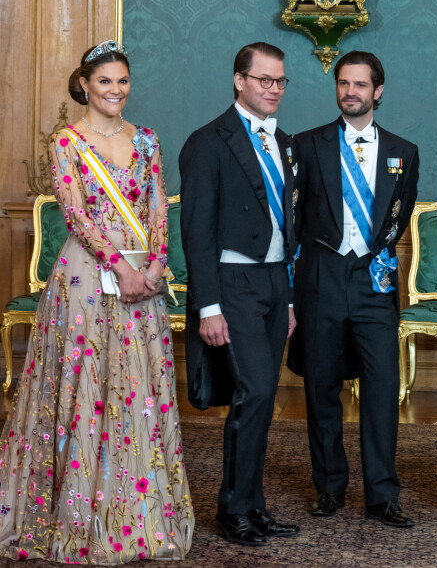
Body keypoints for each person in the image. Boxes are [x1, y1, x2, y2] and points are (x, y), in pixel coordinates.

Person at [0, 41, 194, 563]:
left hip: (143, 277)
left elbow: (158, 208)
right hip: (87, 277)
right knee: (86, 385)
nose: (115, 91)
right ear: (85, 84)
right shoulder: (67, 141)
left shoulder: (147, 139)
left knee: (137, 386)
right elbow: (77, 215)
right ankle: (79, 515)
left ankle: (142, 516)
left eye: (123, 81)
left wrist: (153, 265)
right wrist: (121, 266)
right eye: (105, 81)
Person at [289, 51, 419, 527]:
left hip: (374, 280)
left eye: (360, 85)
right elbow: (294, 217)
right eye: (344, 83)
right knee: (322, 387)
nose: (351, 92)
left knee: (382, 390)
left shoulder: (405, 151)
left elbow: (399, 215)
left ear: (377, 91)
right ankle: (329, 486)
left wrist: (376, 253)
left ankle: (383, 494)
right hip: (321, 277)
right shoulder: (306, 144)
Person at [179, 42, 300, 546]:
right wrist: (208, 305)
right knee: (254, 394)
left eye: (279, 81)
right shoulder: (208, 141)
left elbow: (290, 223)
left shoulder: (284, 142)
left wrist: (290, 298)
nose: (272, 89)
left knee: (265, 398)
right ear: (239, 81)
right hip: (234, 283)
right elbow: (196, 231)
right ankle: (233, 509)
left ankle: (254, 504)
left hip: (275, 282)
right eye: (263, 80)